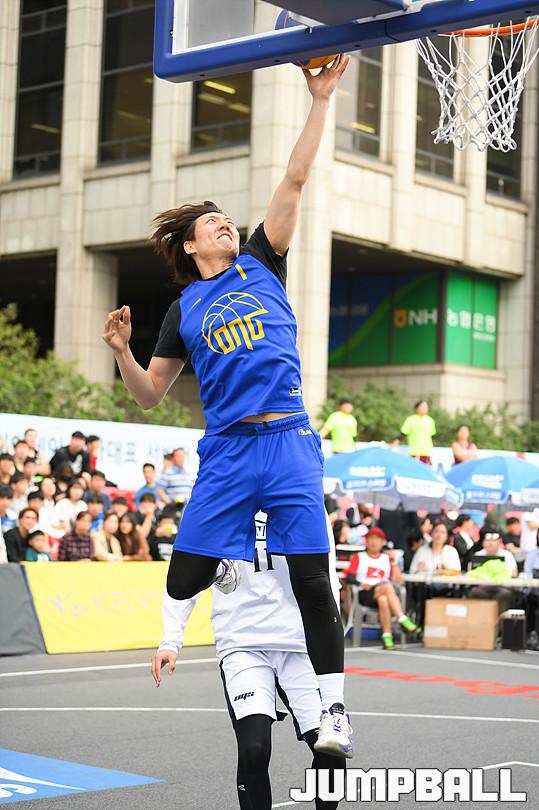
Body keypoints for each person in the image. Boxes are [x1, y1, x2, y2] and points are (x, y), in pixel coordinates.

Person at [102, 55, 352, 752]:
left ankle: (335, 713)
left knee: (312, 576)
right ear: (190, 245)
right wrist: (121, 351)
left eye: (227, 220)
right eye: (212, 223)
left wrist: (320, 99)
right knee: (188, 564)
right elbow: (150, 395)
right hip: (231, 449)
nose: (225, 225)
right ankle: (172, 641)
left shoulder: (262, 262)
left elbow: (295, 176)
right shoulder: (184, 309)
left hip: (290, 438)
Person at [152, 515, 349, 810]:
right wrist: (171, 640)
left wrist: (327, 640)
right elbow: (187, 568)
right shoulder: (219, 500)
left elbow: (327, 577)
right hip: (241, 641)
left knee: (329, 748)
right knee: (253, 748)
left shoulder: (302, 496)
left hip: (299, 641)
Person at [345, 527, 421, 650]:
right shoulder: (359, 557)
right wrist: (361, 583)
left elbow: (397, 581)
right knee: (386, 587)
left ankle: (387, 637)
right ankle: (402, 619)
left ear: (382, 542)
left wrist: (394, 561)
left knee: (383, 599)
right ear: (366, 542)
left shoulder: (386, 559)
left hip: (384, 593)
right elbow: (349, 577)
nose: (374, 542)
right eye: (371, 539)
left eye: (377, 539)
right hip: (365, 592)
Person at [467, 530, 517, 614]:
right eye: (488, 540)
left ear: (499, 542)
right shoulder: (477, 555)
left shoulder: (507, 555)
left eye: (494, 541)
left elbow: (514, 572)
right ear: (483, 542)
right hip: (481, 587)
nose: (491, 543)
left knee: (505, 595)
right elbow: (470, 571)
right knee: (475, 593)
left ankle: (500, 621)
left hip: (502, 587)